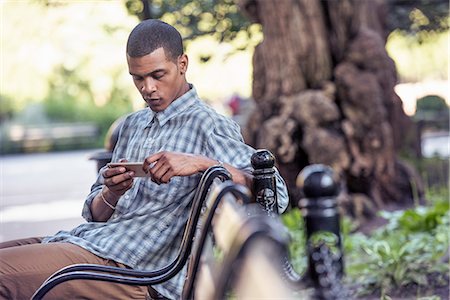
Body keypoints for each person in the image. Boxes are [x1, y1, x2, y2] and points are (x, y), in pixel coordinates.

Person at [0, 19, 288, 300]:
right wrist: (112, 192)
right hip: (93, 243)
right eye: (138, 78)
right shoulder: (133, 124)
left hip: (134, 272)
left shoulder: (209, 126)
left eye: (157, 75)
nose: (147, 88)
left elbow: (275, 192)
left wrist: (201, 163)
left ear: (182, 65)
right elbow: (95, 216)